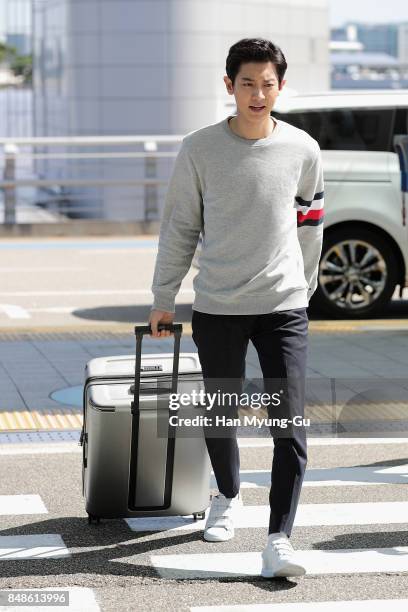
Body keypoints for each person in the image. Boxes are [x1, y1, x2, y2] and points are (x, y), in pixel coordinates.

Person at [148, 37, 324, 579]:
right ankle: (226, 494)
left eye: (267, 83)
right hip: (220, 305)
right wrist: (164, 298)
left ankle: (279, 539)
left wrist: (305, 285)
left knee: (288, 424)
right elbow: (180, 226)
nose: (257, 93)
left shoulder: (303, 149)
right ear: (229, 86)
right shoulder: (199, 149)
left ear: (280, 87)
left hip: (283, 306)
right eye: (247, 83)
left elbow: (312, 223)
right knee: (222, 414)